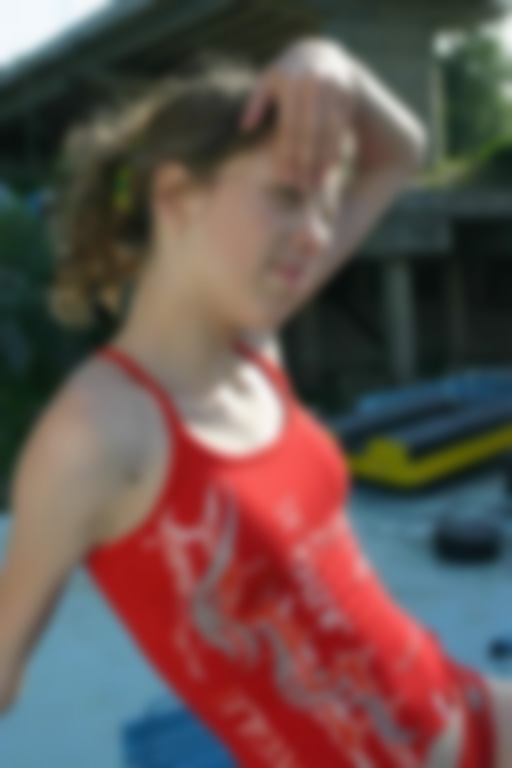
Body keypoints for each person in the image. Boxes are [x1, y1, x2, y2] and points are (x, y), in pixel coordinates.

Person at [0, 36, 509, 768]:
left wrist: (332, 61)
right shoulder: (97, 433)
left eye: (326, 207)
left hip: (469, 710)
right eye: (287, 196)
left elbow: (401, 153)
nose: (317, 235)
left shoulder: (255, 347)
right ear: (175, 197)